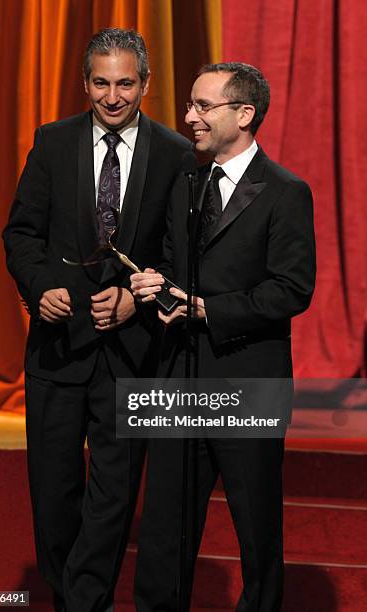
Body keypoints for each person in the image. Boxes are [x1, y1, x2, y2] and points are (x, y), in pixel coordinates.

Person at [2, 28, 191, 612]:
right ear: (86, 83)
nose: (113, 97)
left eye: (126, 84)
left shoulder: (175, 154)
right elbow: (21, 234)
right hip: (57, 350)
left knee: (113, 498)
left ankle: (85, 603)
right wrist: (40, 287)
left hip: (133, 355)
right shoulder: (53, 142)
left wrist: (140, 298)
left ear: (146, 85)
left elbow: (180, 253)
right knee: (55, 497)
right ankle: (76, 600)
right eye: (102, 84)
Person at [131, 62, 316, 611]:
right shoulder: (185, 181)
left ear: (244, 114)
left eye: (202, 106)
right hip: (179, 377)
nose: (189, 117)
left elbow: (291, 290)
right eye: (190, 105)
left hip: (249, 380)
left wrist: (209, 310)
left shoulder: (286, 192)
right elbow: (170, 262)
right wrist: (156, 288)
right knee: (165, 528)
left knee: (256, 532)